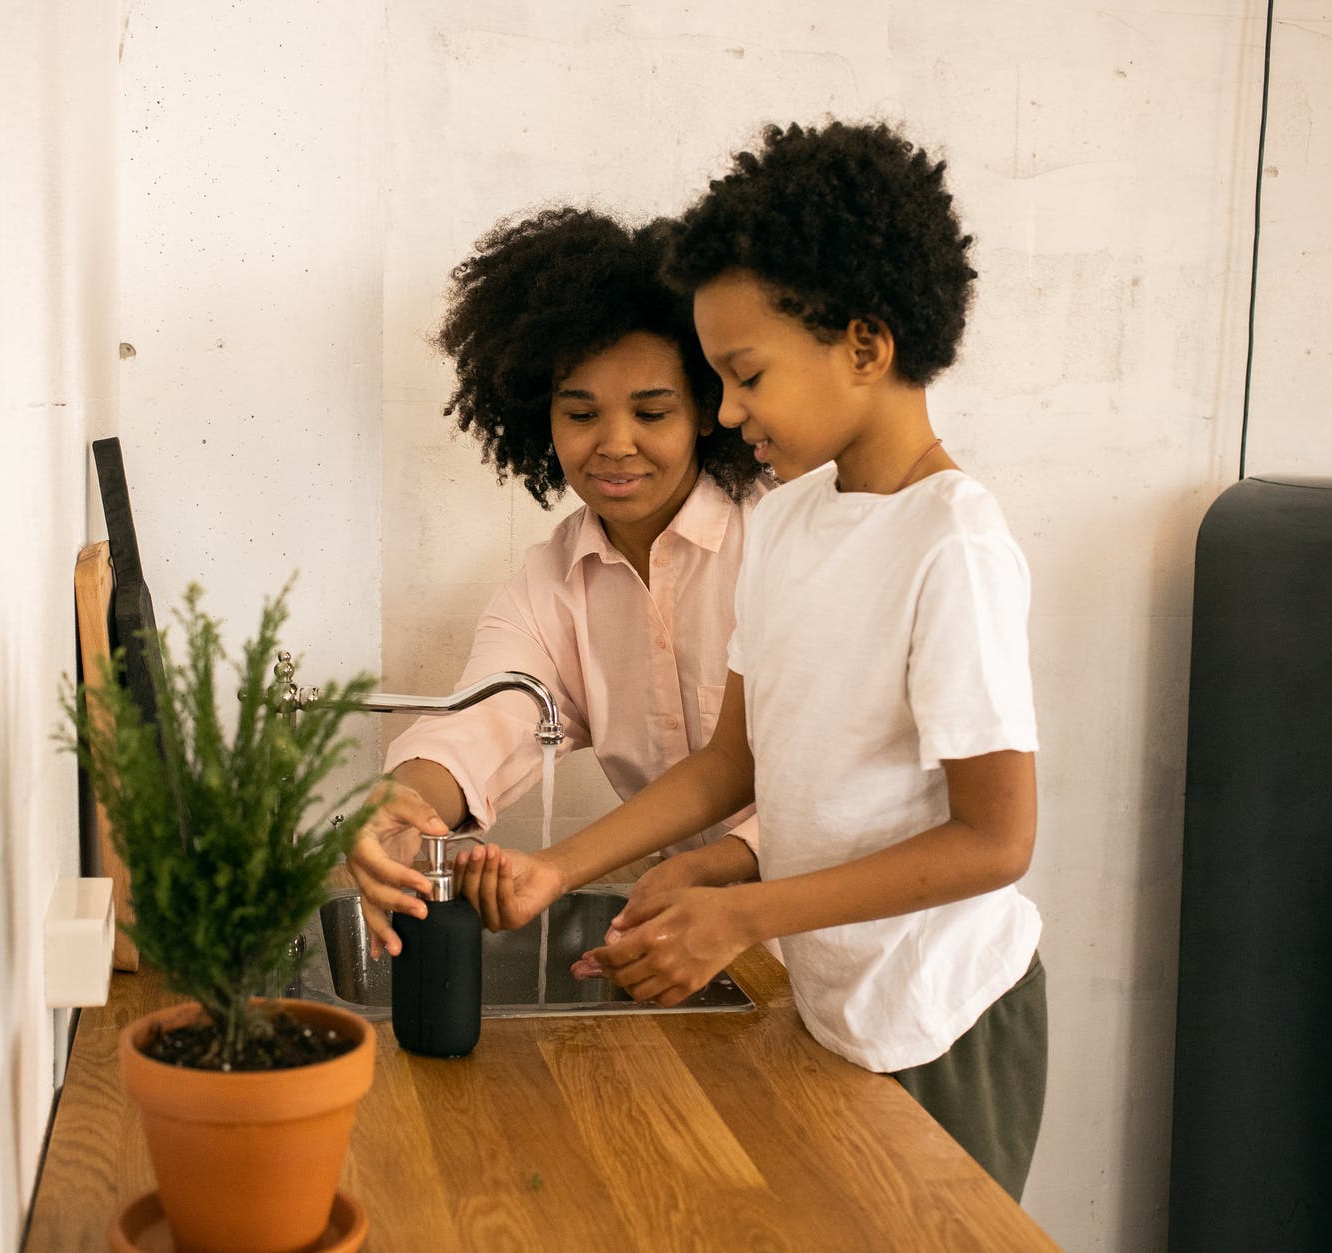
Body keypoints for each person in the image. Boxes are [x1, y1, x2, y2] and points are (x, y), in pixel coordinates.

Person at [457, 122, 1047, 1201]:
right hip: (834, 1000)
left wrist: (747, 907)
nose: (725, 413)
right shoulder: (787, 523)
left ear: (864, 346)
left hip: (947, 1016)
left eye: (742, 376)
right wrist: (558, 868)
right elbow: (731, 766)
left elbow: (996, 838)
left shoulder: (952, 543)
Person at [345, 206, 771, 958]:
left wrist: (719, 863)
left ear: (707, 410)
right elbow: (484, 718)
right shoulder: (554, 585)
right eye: (581, 412)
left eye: (652, 411)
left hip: (886, 960)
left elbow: (849, 777)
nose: (615, 443)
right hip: (705, 951)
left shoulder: (777, 543)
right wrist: (402, 799)